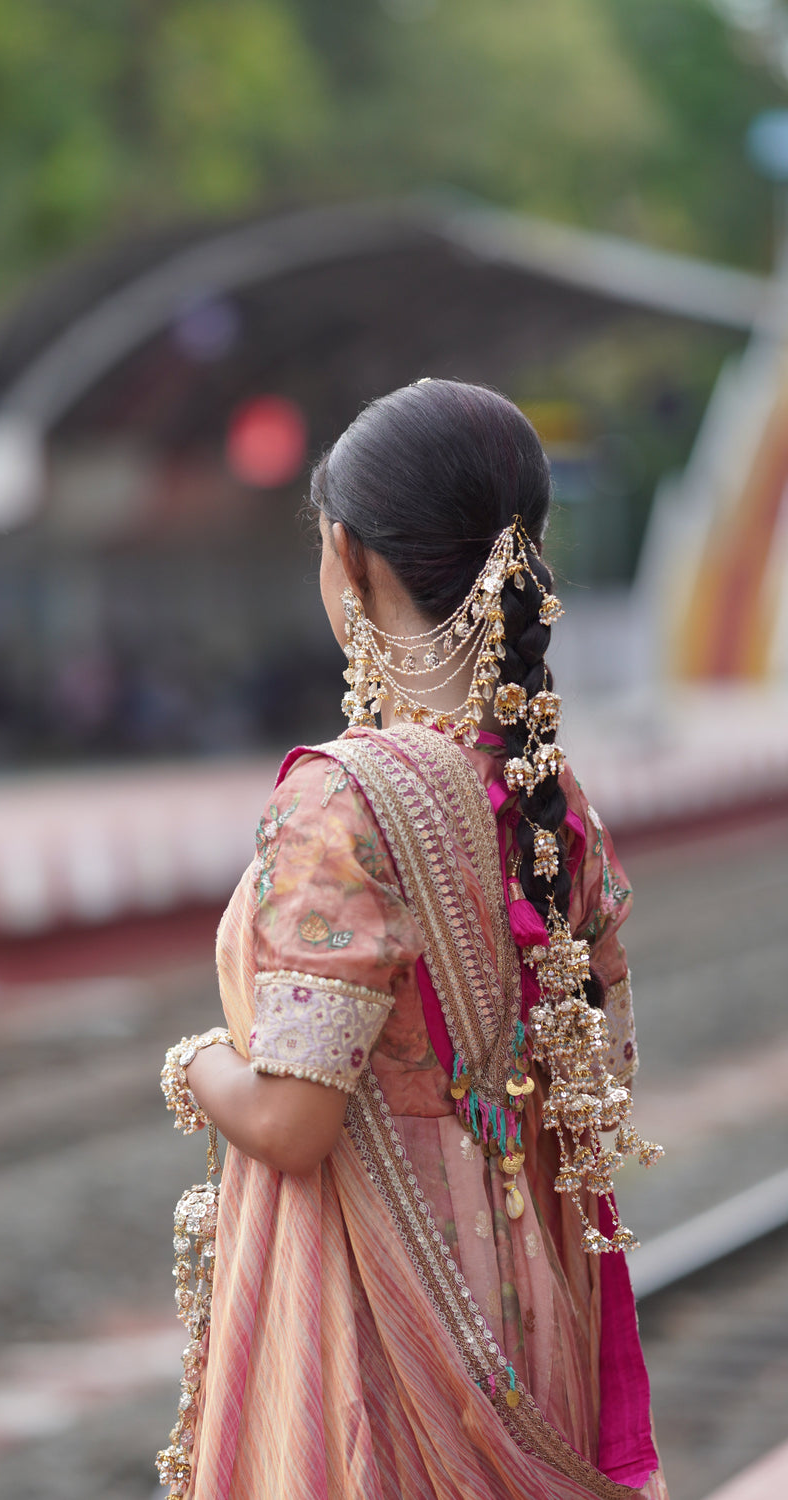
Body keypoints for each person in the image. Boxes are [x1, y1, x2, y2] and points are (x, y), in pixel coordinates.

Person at [159, 379, 668, 1499]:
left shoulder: (340, 804)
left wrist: (193, 1064)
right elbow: (602, 1078)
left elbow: (293, 1122)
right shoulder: (551, 801)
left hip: (382, 1327)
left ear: (345, 557)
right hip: (525, 1303)